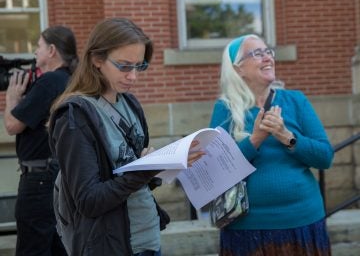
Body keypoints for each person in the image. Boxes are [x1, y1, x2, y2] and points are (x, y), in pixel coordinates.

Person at [47, 17, 204, 256]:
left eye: (139, 66)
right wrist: (144, 170)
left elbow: (132, 179)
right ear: (96, 59)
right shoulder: (75, 116)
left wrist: (162, 165)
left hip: (147, 237)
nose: (133, 77)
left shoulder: (129, 103)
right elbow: (89, 201)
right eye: (124, 66)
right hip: (111, 245)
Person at [209, 34, 334, 256]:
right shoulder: (225, 109)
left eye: (268, 52)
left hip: (303, 220)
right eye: (257, 54)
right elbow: (215, 173)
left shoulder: (295, 100)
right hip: (248, 229)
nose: (267, 58)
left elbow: (325, 157)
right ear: (238, 69)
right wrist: (255, 139)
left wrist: (287, 136)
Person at [4, 26, 78, 255]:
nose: (35, 52)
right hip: (57, 176)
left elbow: (12, 125)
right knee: (56, 246)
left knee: (32, 247)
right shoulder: (68, 80)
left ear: (52, 50)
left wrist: (11, 98)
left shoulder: (49, 82)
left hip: (39, 180)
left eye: (38, 46)